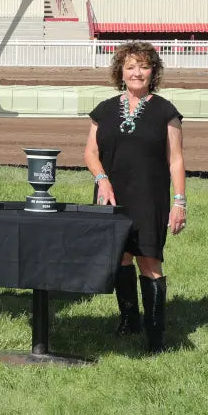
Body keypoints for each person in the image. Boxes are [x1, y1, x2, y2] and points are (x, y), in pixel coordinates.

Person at [84, 41, 186, 353]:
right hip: (111, 195)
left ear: (153, 71)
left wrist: (179, 201)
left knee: (149, 260)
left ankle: (155, 337)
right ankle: (129, 321)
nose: (137, 72)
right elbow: (90, 153)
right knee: (120, 257)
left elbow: (176, 160)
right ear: (121, 72)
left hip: (150, 197)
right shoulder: (103, 110)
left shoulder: (166, 111)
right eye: (130, 67)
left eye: (143, 66)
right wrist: (102, 180)